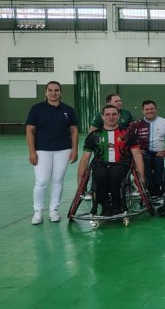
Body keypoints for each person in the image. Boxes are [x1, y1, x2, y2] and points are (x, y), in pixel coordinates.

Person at [25, 81, 79, 224]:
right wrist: (32, 152)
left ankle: (53, 210)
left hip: (63, 149)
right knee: (41, 181)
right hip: (42, 150)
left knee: (57, 181)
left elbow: (74, 131)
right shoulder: (36, 109)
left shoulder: (68, 109)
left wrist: (75, 150)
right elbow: (29, 130)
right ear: (45, 92)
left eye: (56, 90)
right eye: (50, 90)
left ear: (61, 92)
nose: (53, 93)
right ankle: (37, 212)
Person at [78, 105, 145, 216]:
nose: (111, 117)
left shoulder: (128, 134)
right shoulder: (94, 135)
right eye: (107, 114)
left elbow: (137, 156)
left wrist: (141, 177)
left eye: (114, 114)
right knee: (100, 175)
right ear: (102, 117)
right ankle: (105, 206)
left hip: (121, 165)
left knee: (115, 174)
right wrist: (80, 182)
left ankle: (117, 205)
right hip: (100, 165)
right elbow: (85, 159)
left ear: (118, 116)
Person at [128, 100, 165, 198]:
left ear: (156, 109)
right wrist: (137, 150)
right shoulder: (135, 124)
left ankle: (157, 188)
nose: (149, 111)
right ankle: (148, 188)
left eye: (152, 109)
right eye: (147, 109)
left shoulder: (164, 122)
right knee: (146, 159)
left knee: (158, 161)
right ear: (143, 111)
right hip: (143, 152)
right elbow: (127, 140)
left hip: (158, 152)